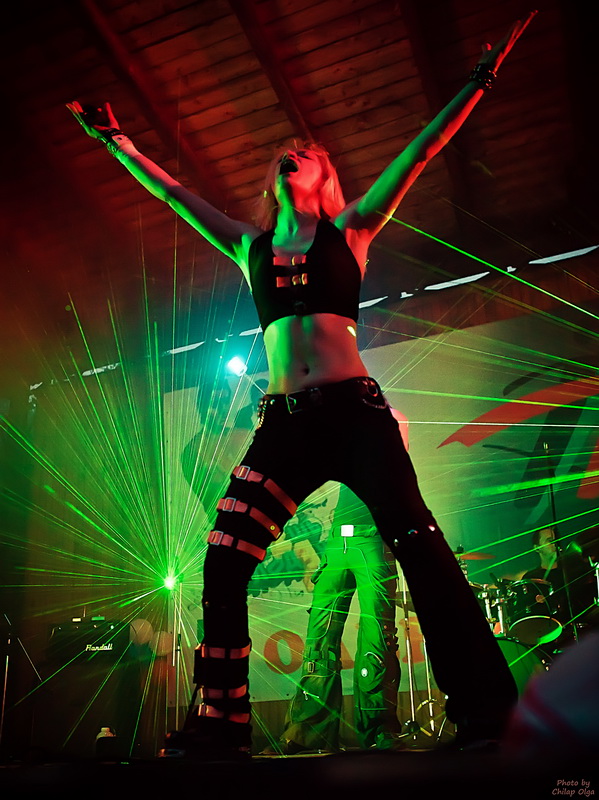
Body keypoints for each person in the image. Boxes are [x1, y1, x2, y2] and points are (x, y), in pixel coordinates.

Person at [68, 12, 535, 758]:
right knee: (224, 555)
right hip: (285, 422)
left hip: (356, 416)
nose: (293, 153)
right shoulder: (248, 245)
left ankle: (488, 716)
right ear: (275, 180)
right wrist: (116, 142)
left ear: (325, 178)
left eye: (309, 153)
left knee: (420, 548)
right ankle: (222, 725)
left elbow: (420, 151)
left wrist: (482, 75)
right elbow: (175, 195)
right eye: (286, 153)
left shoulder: (351, 231)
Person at [271, 486, 402, 754]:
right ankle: (306, 733)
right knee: (319, 641)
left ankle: (379, 729)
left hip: (374, 539)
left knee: (377, 638)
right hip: (336, 542)